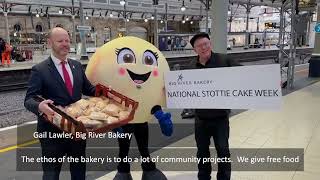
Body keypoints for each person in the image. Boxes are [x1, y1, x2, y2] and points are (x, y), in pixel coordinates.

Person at [24, 27, 96, 180]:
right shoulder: (40, 70)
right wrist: (39, 106)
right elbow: (29, 99)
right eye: (60, 41)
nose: (65, 44)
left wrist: (106, 89)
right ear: (50, 43)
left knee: (78, 170)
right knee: (51, 174)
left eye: (67, 40)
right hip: (52, 133)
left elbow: (89, 90)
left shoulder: (77, 66)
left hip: (77, 130)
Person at [189, 33, 241, 180]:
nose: (204, 47)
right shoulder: (191, 66)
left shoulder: (224, 60)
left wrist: (268, 81)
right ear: (195, 50)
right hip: (201, 118)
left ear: (210, 44)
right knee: (202, 151)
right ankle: (204, 177)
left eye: (206, 43)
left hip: (220, 117)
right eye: (199, 46)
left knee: (223, 151)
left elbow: (246, 74)